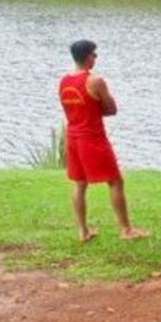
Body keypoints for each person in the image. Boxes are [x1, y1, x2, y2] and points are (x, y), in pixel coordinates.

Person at [58, 40, 148, 243]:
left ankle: (82, 231)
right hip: (92, 137)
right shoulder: (95, 81)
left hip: (72, 136)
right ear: (88, 57)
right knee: (115, 181)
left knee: (79, 184)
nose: (96, 58)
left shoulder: (64, 81)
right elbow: (111, 109)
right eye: (94, 54)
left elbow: (70, 108)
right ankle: (125, 229)